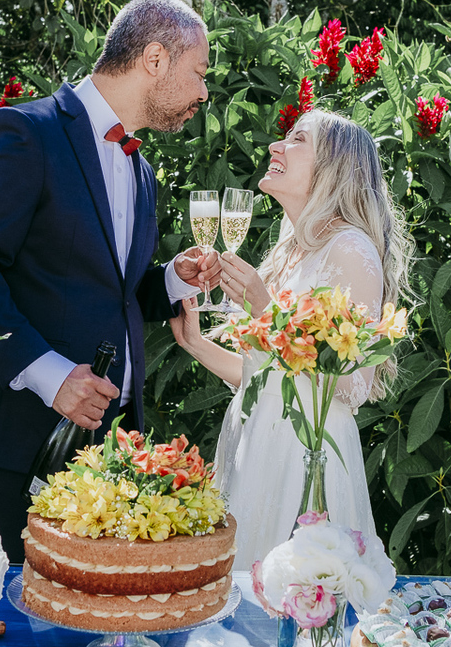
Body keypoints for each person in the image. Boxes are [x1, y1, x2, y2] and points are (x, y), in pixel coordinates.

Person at [0, 0, 221, 561]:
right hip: (12, 440)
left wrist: (170, 281)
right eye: (199, 72)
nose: (204, 93)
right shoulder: (23, 131)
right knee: (6, 624)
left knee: (91, 624)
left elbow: (112, 289)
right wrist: (52, 376)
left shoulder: (142, 171)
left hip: (108, 445)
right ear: (156, 59)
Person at [169, 109, 412, 569]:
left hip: (307, 458)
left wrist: (268, 311)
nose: (274, 147)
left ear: (334, 169)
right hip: (257, 446)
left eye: (296, 140)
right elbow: (262, 375)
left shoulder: (352, 250)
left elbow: (353, 386)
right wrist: (196, 344)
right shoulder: (291, 252)